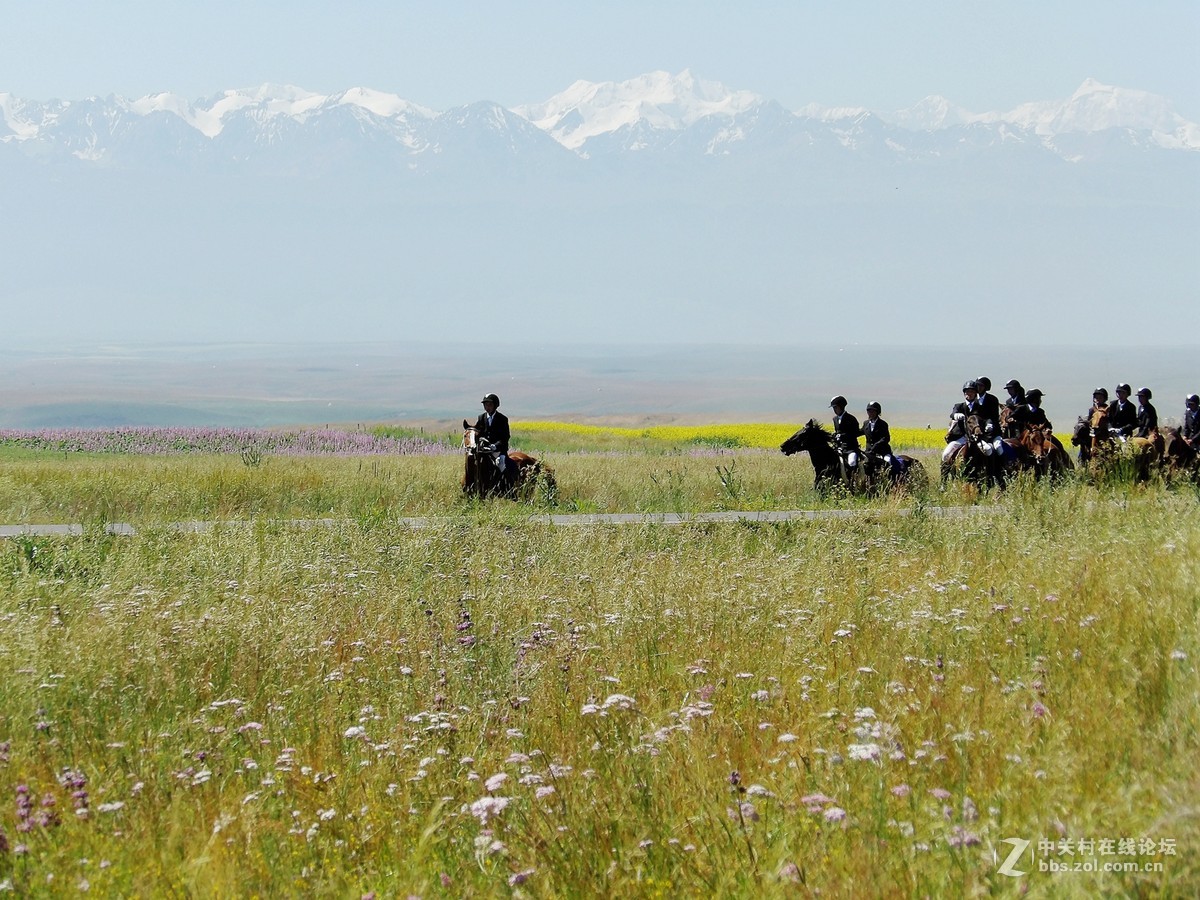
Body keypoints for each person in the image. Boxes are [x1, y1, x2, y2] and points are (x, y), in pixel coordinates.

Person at [474, 392, 511, 482]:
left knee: (500, 464)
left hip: (498, 451)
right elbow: (478, 433)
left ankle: (507, 483)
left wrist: (495, 446)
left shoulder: (502, 419)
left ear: (495, 405)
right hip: (484, 450)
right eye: (486, 405)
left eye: (490, 405)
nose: (487, 407)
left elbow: (505, 437)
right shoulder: (481, 418)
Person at [943, 381, 981, 462]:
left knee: (989, 451)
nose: (969, 393)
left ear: (975, 393)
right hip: (960, 438)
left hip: (977, 437)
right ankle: (944, 474)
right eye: (967, 391)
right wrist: (956, 415)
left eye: (971, 391)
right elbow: (953, 414)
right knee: (946, 455)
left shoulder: (980, 407)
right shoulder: (959, 406)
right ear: (964, 393)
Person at [829, 396, 860, 477]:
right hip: (839, 447)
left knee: (852, 462)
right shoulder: (835, 419)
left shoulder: (851, 419)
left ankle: (853, 480)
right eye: (834, 408)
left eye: (836, 407)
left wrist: (842, 436)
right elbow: (837, 432)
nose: (834, 410)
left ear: (841, 406)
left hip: (850, 448)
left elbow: (855, 433)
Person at [860, 401, 892, 475]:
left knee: (888, 461)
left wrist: (875, 447)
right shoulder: (866, 423)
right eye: (869, 411)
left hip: (882, 451)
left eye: (872, 411)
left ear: (877, 412)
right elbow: (860, 432)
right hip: (869, 452)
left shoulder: (883, 424)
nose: (870, 413)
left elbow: (885, 438)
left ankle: (891, 481)